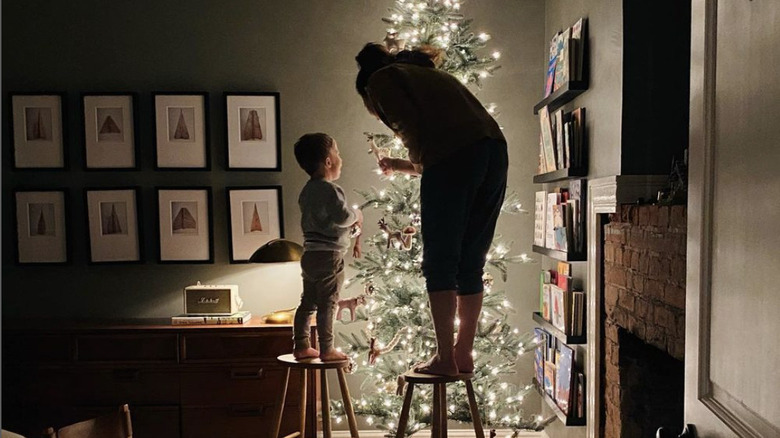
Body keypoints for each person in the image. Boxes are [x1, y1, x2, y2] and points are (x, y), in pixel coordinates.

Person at [355, 43, 508, 376]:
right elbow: (454, 152)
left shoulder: (380, 80)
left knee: (440, 261)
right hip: (494, 150)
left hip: (458, 155)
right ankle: (462, 353)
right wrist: (402, 165)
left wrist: (407, 154)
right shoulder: (425, 74)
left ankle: (444, 359)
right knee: (471, 260)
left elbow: (418, 136)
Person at [292, 133, 363, 361]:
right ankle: (326, 349)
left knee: (308, 302)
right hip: (329, 256)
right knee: (328, 302)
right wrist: (356, 215)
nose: (341, 158)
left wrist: (348, 232)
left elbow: (325, 223)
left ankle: (301, 345)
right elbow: (342, 217)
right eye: (338, 153)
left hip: (310, 254)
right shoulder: (330, 190)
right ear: (328, 161)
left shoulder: (306, 191)